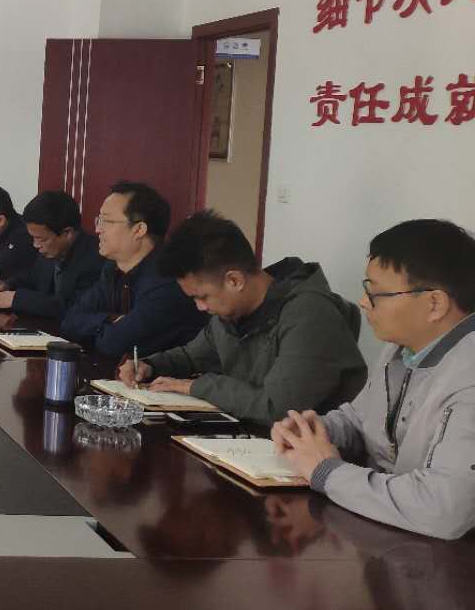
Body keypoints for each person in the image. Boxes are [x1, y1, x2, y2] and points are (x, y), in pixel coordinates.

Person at [274, 218, 475, 541]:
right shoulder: (402, 348)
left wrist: (326, 472)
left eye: (375, 292)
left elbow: (443, 509)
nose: (363, 302)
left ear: (434, 303)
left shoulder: (468, 375)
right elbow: (361, 418)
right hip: (394, 536)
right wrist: (316, 430)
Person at [120, 210, 366, 426]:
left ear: (234, 280)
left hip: (306, 454)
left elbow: (278, 409)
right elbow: (192, 356)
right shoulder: (231, 313)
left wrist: (194, 386)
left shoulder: (310, 314)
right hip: (248, 442)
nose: (200, 307)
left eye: (202, 297)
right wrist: (150, 365)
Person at [60, 180, 204, 357]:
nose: (98, 229)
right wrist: (111, 319)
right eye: (99, 220)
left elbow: (113, 344)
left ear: (139, 229)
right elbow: (70, 322)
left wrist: (104, 326)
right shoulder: (113, 268)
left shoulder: (168, 280)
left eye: (107, 221)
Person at [0, 189, 102, 316]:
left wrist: (17, 299)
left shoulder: (95, 258)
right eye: (33, 238)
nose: (35, 245)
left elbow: (74, 307)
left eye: (41, 239)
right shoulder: (50, 251)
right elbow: (32, 278)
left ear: (67, 233)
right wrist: (7, 285)